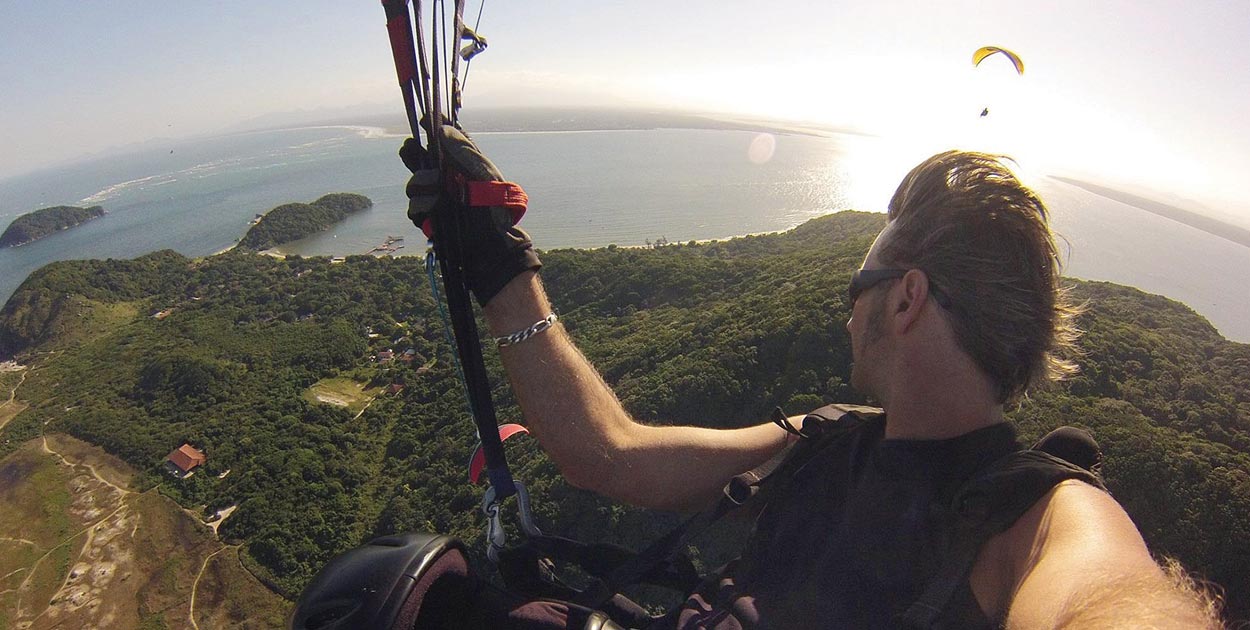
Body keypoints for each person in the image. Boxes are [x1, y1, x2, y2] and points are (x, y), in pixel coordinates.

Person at [404, 126, 1223, 629]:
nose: (846, 302)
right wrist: (500, 262)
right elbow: (609, 455)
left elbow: (1115, 605)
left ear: (905, 300)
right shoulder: (823, 436)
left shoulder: (1045, 513)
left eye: (858, 279)